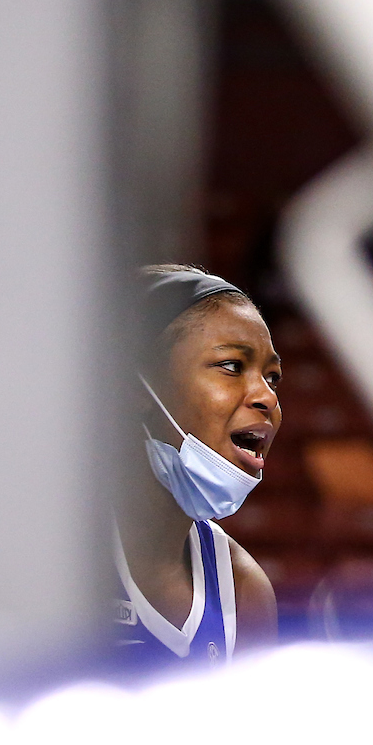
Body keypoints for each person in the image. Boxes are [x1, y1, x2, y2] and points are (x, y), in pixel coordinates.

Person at [114, 263, 279, 664]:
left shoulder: (244, 592)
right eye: (231, 366)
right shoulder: (48, 564)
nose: (267, 398)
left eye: (272, 377)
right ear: (134, 387)